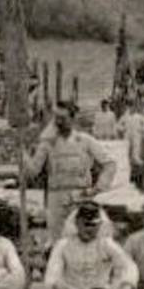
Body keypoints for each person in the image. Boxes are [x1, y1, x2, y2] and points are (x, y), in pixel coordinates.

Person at [26, 103, 118, 249]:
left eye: (63, 118)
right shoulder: (48, 143)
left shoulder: (85, 140)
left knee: (84, 241)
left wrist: (97, 188)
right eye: (56, 118)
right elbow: (33, 171)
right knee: (58, 243)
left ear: (73, 119)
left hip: (80, 197)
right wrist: (23, 153)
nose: (59, 122)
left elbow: (110, 163)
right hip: (56, 198)